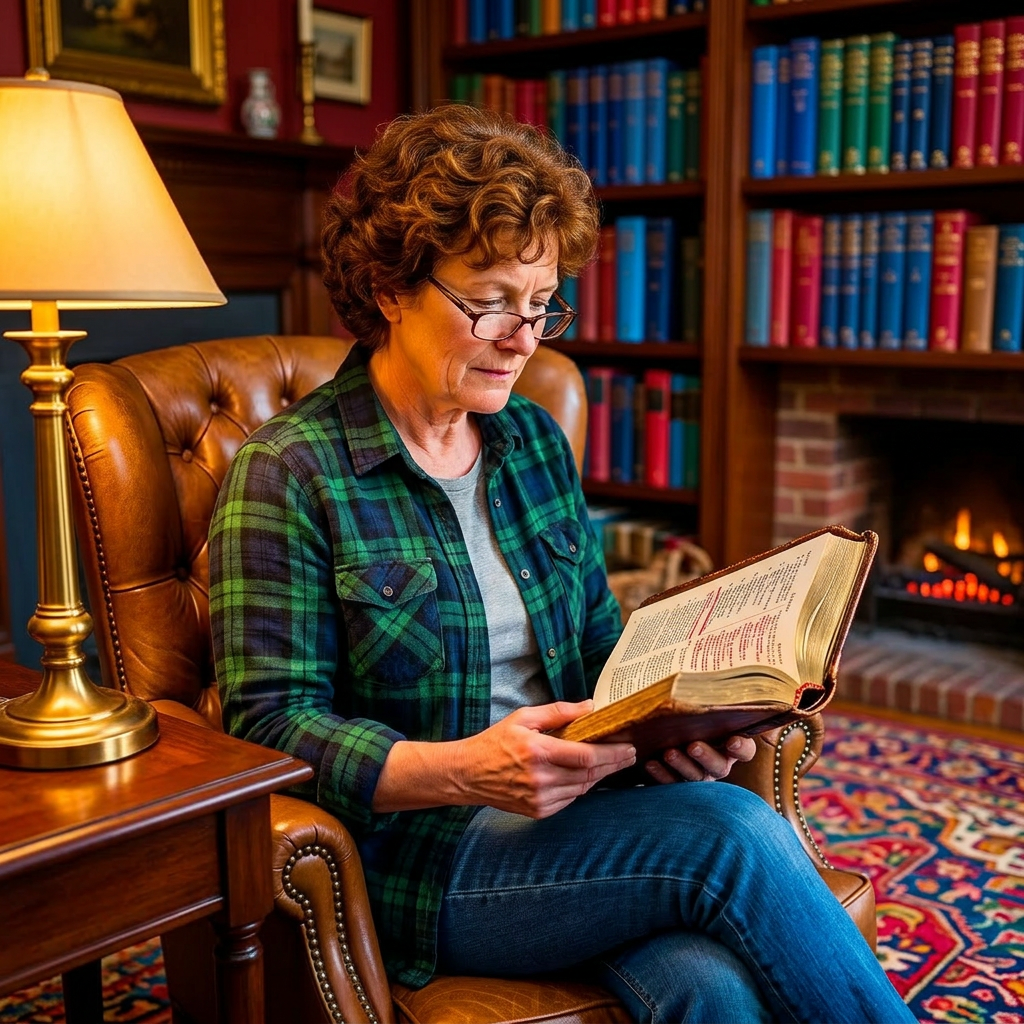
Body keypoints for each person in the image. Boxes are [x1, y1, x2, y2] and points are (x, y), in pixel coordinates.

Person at [209, 104, 916, 1024]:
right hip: (428, 858)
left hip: (579, 816)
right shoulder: (290, 473)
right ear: (391, 286)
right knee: (734, 837)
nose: (524, 337)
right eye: (491, 300)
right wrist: (464, 769)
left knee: (713, 988)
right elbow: (266, 728)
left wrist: (671, 728)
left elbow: (591, 644)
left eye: (541, 306)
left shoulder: (532, 442)